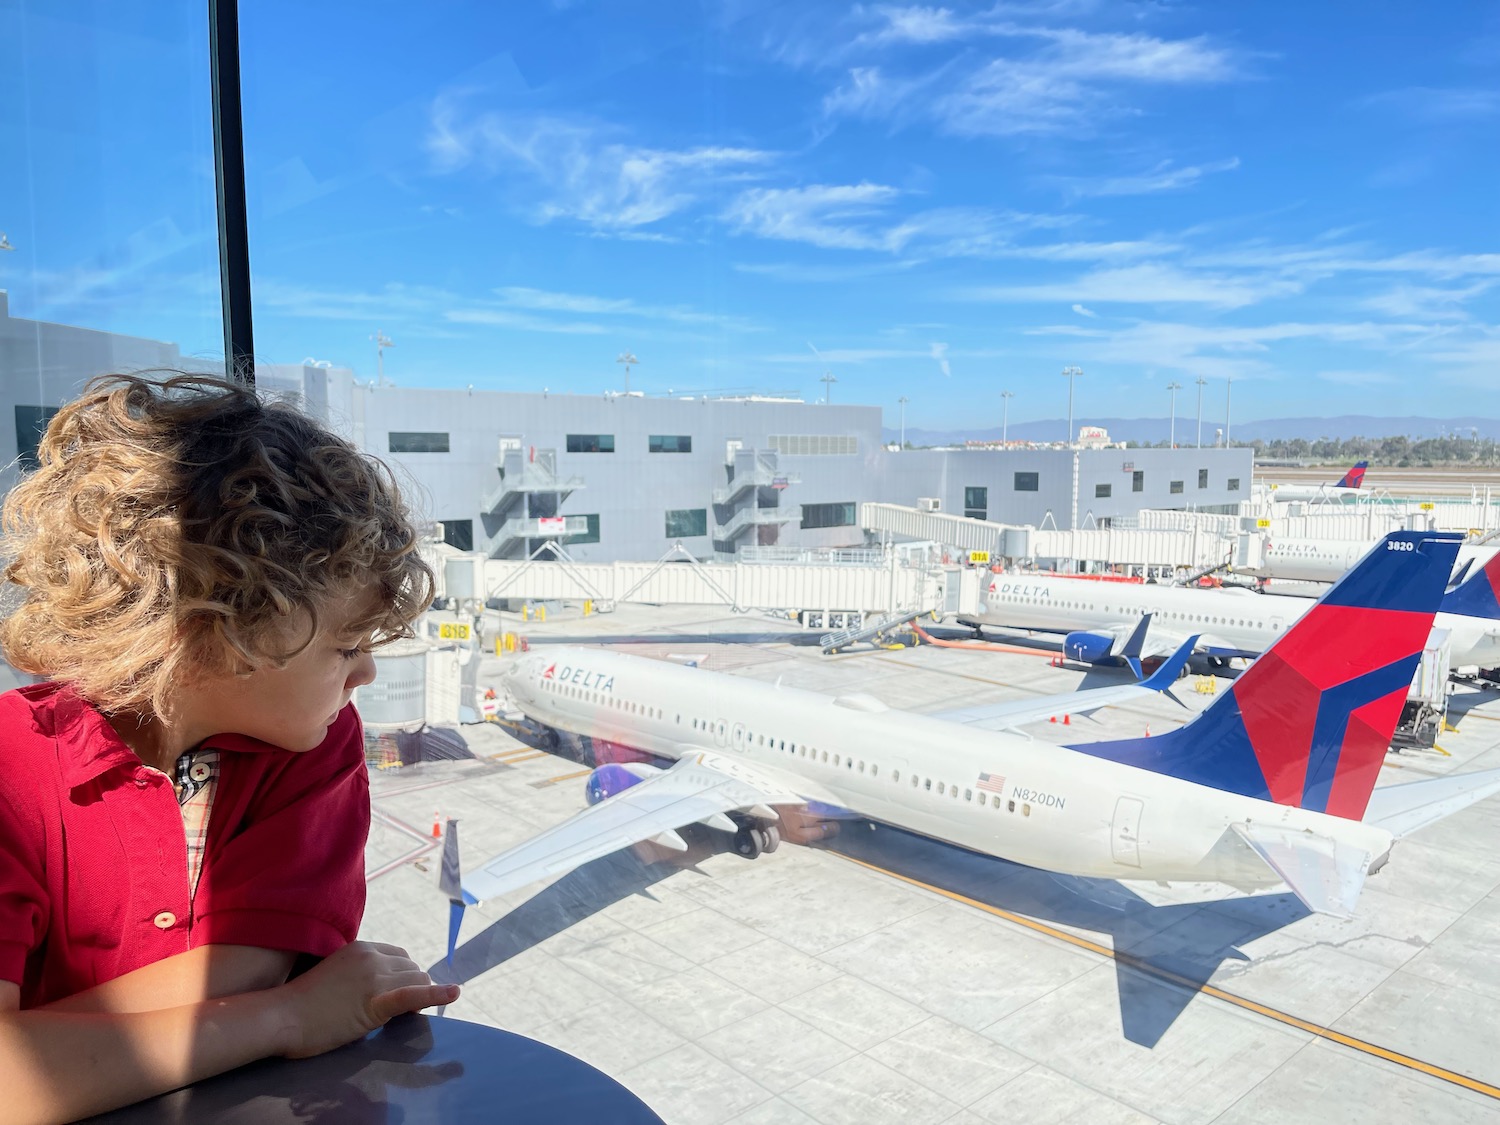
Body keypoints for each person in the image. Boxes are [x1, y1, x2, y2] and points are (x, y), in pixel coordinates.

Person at [0, 373, 458, 1123]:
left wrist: (43, 1045)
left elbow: (248, 966)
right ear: (208, 639)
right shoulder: (12, 765)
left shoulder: (313, 743)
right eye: (345, 648)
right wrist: (286, 1017)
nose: (367, 673)